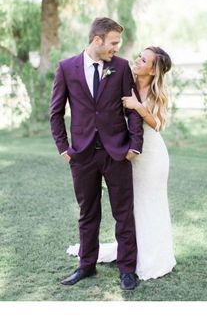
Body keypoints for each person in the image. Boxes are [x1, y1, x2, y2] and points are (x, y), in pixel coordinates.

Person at [50, 17, 143, 290]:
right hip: (82, 155)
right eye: (113, 43)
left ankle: (127, 269)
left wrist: (134, 145)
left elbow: (132, 109)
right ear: (97, 40)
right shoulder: (67, 68)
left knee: (123, 214)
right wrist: (64, 149)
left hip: (117, 152)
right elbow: (55, 112)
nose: (117, 48)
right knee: (87, 213)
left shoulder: (122, 67)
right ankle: (86, 265)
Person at [67, 46, 176, 280]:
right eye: (139, 56)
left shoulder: (158, 94)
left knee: (151, 204)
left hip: (152, 156)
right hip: (125, 152)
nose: (137, 60)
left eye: (143, 60)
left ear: (153, 70)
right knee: (131, 206)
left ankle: (153, 257)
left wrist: (137, 106)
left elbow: (157, 124)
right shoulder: (125, 79)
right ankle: (131, 253)